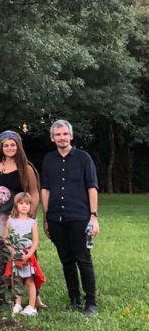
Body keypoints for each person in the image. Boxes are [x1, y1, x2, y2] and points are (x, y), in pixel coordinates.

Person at [41, 119, 100, 315]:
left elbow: (92, 187)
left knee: (83, 258)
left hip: (79, 216)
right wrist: (46, 217)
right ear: (52, 138)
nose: (62, 137)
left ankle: (90, 303)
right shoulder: (49, 159)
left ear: (71, 136)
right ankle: (74, 300)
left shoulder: (84, 158)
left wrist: (93, 216)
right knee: (66, 260)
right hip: (56, 217)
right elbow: (46, 189)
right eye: (58, 134)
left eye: (65, 134)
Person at [0, 130, 42, 307]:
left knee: (27, 256)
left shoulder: (25, 168)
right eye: (6, 145)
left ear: (18, 146)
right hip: (2, 218)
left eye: (13, 144)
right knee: (2, 255)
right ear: (1, 147)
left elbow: (34, 192)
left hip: (21, 218)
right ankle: (4, 297)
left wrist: (30, 216)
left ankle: (34, 297)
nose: (9, 147)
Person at [3, 192, 44, 317]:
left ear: (31, 206)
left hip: (27, 255)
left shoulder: (32, 222)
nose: (24, 206)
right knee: (17, 280)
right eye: (21, 203)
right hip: (16, 255)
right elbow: (6, 238)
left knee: (30, 280)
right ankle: (18, 303)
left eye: (27, 203)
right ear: (16, 205)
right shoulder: (11, 221)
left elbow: (35, 241)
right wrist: (13, 251)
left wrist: (29, 254)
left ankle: (32, 306)